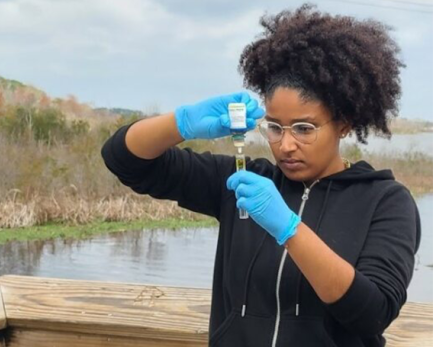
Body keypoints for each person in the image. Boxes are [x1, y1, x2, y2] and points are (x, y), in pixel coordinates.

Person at [101, 4, 421, 347]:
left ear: (343, 124)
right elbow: (124, 159)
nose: (285, 145)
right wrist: (182, 122)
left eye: (304, 128)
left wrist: (290, 230)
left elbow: (372, 312)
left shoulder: (385, 201)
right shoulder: (242, 181)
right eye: (274, 127)